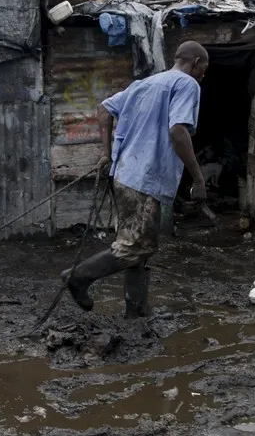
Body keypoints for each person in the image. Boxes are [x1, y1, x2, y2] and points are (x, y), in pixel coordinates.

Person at [61, 41, 208, 318]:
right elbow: (178, 131)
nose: (203, 75)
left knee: (137, 245)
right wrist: (198, 179)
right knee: (136, 246)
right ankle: (77, 277)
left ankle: (136, 311)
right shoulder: (187, 84)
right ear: (196, 63)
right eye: (204, 69)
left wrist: (107, 154)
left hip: (125, 174)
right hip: (145, 178)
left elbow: (104, 110)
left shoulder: (144, 84)